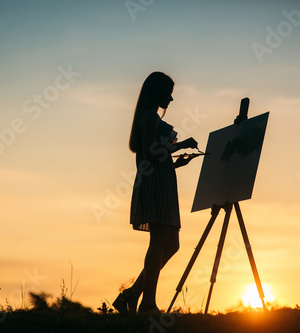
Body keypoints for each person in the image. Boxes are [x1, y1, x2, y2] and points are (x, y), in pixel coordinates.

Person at [113, 72, 198, 315]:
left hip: (162, 180)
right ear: (157, 92)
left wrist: (175, 162)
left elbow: (155, 154)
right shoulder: (149, 116)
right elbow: (150, 152)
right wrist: (179, 145)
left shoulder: (150, 116)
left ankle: (130, 295)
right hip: (155, 184)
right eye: (168, 92)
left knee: (171, 244)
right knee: (159, 242)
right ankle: (147, 304)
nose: (171, 98)